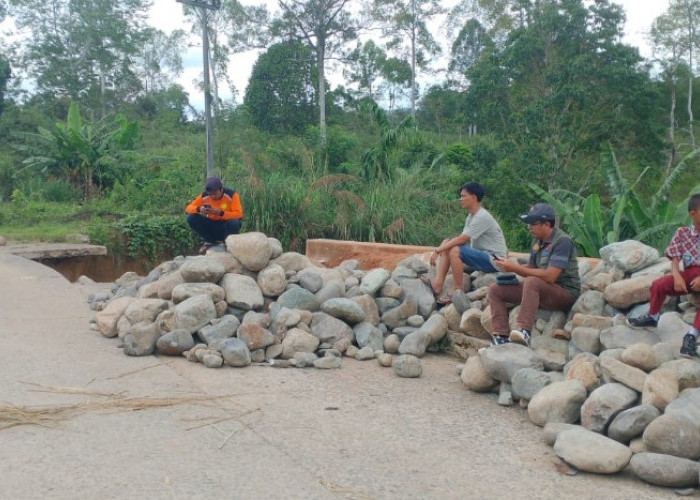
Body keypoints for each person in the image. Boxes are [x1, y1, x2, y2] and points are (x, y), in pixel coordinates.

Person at [486, 202, 581, 348]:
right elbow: (532, 266)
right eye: (528, 223)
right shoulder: (537, 241)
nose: (528, 227)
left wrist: (517, 269)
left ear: (547, 224)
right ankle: (501, 336)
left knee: (532, 281)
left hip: (564, 293)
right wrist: (508, 267)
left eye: (532, 223)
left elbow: (550, 276)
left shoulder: (563, 241)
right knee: (495, 289)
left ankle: (524, 331)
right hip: (541, 289)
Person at [627, 194, 700, 358]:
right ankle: (652, 316)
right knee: (658, 285)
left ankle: (691, 336)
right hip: (688, 274)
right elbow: (674, 257)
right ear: (692, 213)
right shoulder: (683, 233)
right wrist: (677, 276)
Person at [423, 182, 508, 304]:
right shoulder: (471, 216)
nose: (460, 199)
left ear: (473, 197)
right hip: (481, 256)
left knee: (454, 249)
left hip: (495, 260)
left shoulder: (482, 216)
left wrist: (438, 250)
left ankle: (458, 290)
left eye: (463, 196)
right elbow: (459, 239)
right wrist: (443, 246)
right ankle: (437, 284)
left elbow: (462, 240)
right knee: (448, 243)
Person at [185, 176, 243, 254]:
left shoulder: (231, 195)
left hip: (226, 226)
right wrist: (199, 209)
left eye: (215, 194)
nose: (213, 197)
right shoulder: (204, 196)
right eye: (210, 194)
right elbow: (188, 208)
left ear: (221, 189)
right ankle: (210, 241)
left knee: (234, 223)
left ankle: (227, 243)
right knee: (190, 217)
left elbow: (239, 214)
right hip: (212, 225)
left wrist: (220, 213)